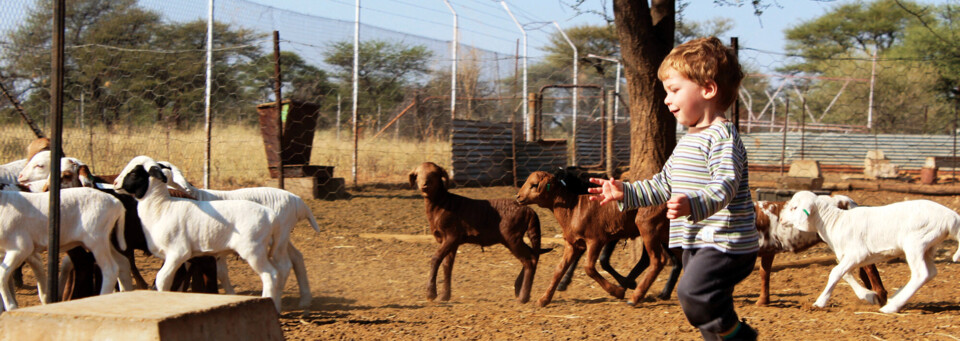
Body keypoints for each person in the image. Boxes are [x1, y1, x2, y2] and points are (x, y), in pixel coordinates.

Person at [587, 37, 759, 341]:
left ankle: (741, 335)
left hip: (726, 242)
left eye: (675, 90)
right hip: (694, 241)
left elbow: (726, 184)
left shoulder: (722, 137)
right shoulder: (688, 141)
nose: (667, 99)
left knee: (693, 295)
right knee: (707, 317)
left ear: (707, 89)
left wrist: (694, 203)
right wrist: (626, 193)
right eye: (667, 91)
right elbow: (663, 184)